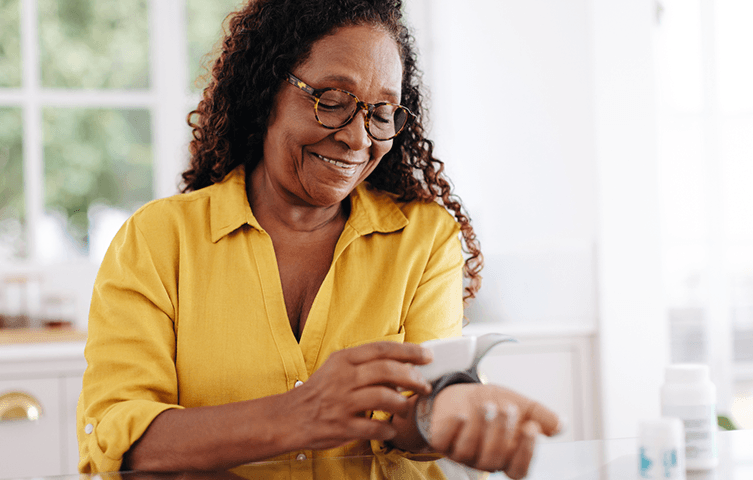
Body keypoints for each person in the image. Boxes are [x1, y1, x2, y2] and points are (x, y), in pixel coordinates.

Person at [77, 0, 561, 478]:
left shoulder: (423, 238)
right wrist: (299, 414)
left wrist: (448, 410)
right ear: (266, 91)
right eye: (331, 101)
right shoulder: (159, 239)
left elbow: (413, 411)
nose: (358, 139)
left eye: (382, 112)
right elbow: (120, 436)